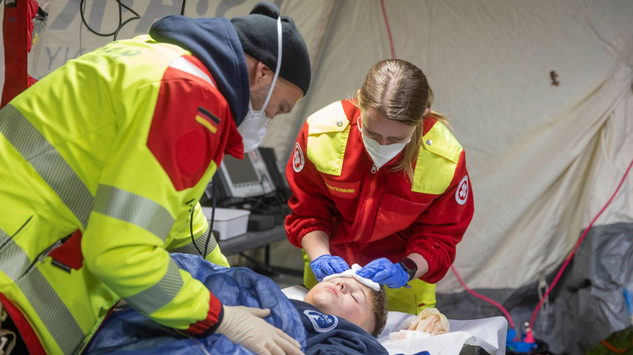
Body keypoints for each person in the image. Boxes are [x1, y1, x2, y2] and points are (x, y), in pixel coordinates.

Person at [0, 2, 310, 354]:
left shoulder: (157, 59)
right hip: (14, 274)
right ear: (263, 74)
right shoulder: (191, 97)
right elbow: (121, 253)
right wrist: (221, 316)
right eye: (280, 107)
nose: (271, 118)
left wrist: (231, 281)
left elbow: (178, 216)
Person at [285, 59, 474, 315]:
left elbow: (440, 238)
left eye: (397, 138)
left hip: (403, 280)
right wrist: (320, 258)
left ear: (423, 116)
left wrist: (405, 270)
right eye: (372, 133)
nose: (383, 145)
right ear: (360, 101)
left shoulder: (445, 159)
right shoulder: (321, 134)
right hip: (329, 267)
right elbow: (308, 214)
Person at [85, 253, 389, 355]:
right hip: (203, 305)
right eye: (340, 280)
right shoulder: (274, 294)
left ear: (365, 329)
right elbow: (215, 276)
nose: (341, 284)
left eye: (354, 295)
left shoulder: (351, 340)